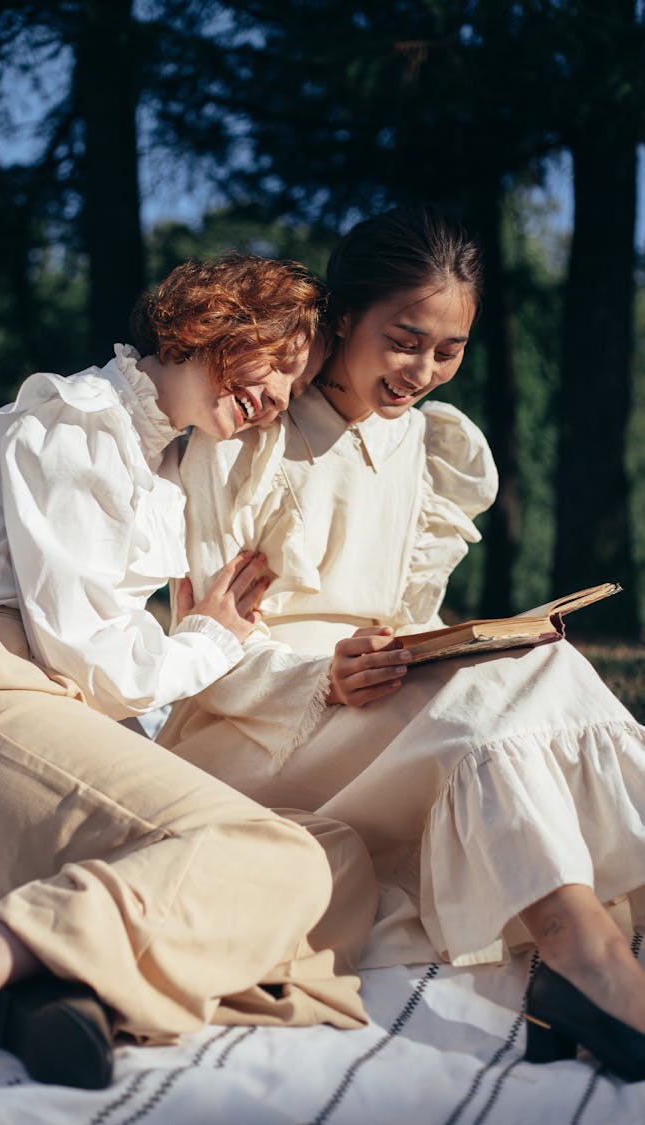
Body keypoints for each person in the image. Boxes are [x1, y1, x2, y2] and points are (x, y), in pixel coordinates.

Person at [157, 207, 645, 1083]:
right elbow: (200, 641)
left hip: (386, 710)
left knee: (542, 659)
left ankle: (599, 945)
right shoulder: (255, 430)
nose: (422, 371)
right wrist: (324, 676)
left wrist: (444, 646)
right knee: (504, 687)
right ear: (345, 316)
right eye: (405, 339)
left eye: (448, 349)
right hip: (250, 731)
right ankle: (588, 956)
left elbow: (408, 613)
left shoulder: (428, 444)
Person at [0, 254, 377, 1125]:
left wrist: (214, 639)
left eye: (296, 384)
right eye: (276, 362)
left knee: (338, 852)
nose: (276, 398)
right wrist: (205, 640)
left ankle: (70, 986)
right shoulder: (77, 421)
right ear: (217, 320)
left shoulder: (165, 460)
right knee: (274, 862)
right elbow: (96, 660)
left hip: (60, 718)